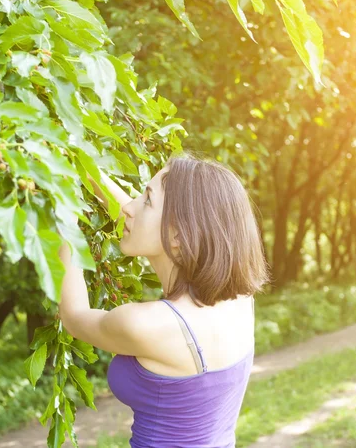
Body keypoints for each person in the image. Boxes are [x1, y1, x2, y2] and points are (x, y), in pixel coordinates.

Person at [58, 150, 270, 447]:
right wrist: (79, 163)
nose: (129, 207)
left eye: (146, 199)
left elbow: (74, 317)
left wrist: (63, 220)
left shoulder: (147, 325)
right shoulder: (239, 300)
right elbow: (137, 218)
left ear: (179, 237)